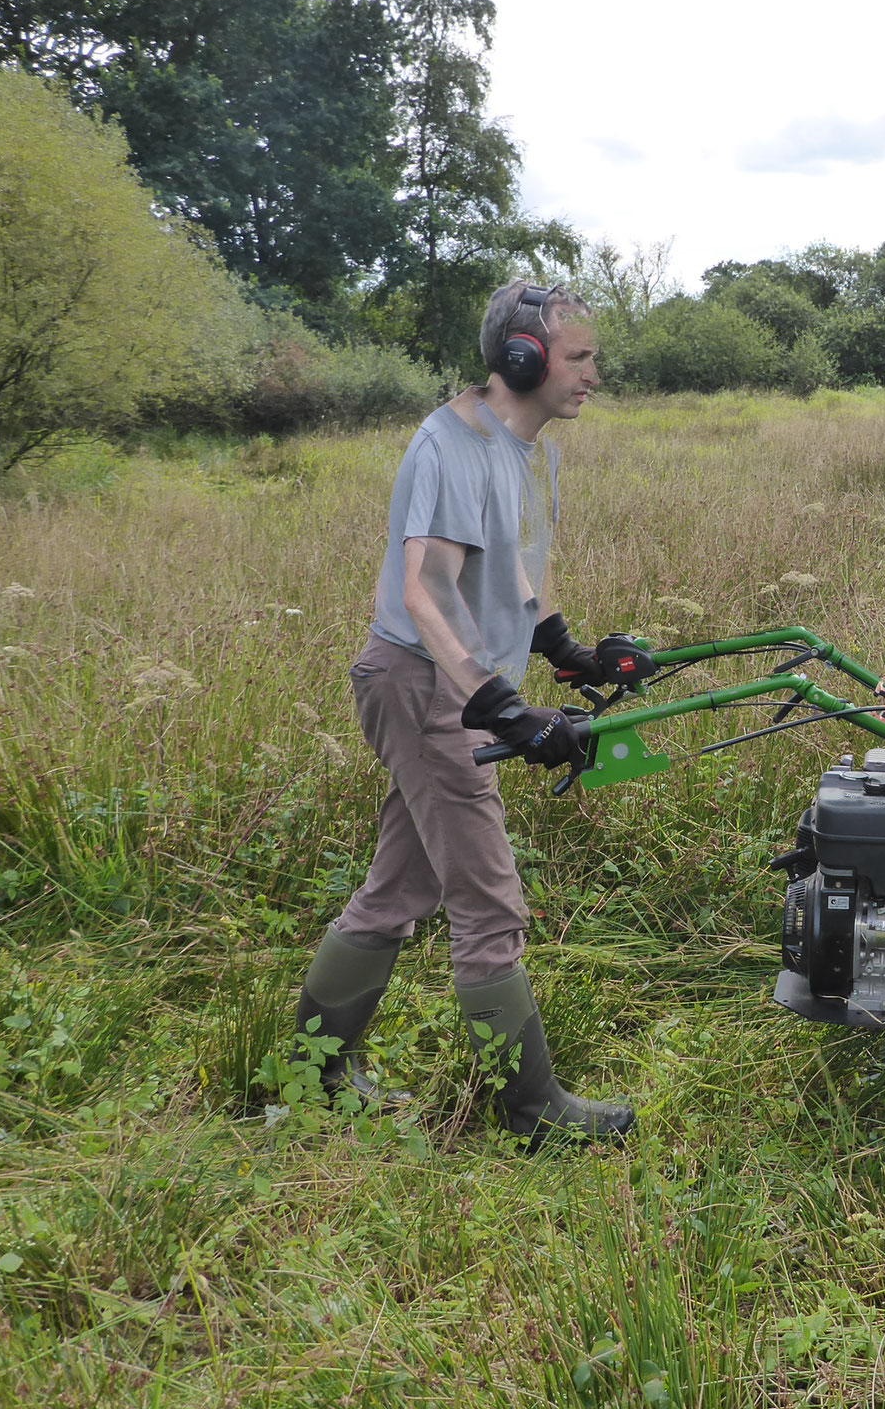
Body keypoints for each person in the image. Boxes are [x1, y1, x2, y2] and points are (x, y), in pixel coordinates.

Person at [289, 279, 637, 1146]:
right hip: (419, 684)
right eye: (582, 356)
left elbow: (513, 565)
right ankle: (531, 1110)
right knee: (487, 896)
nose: (595, 373)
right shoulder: (451, 442)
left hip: (453, 687)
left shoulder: (528, 449)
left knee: (399, 886)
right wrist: (502, 709)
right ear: (524, 357)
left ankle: (311, 1071)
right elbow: (427, 586)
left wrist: (563, 649)